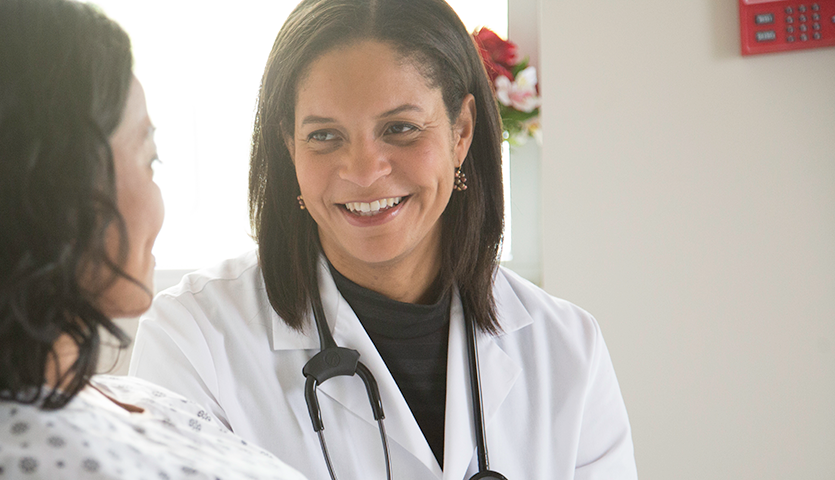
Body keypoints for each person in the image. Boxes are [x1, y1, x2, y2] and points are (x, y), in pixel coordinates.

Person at [127, 0, 638, 479]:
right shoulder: (191, 341)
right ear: (289, 145)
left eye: (400, 128)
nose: (365, 172)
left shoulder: (567, 349)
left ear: (461, 132)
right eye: (324, 136)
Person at [0, 1, 308, 479]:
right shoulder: (16, 461)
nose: (159, 200)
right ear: (51, 192)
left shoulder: (124, 400)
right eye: (150, 159)